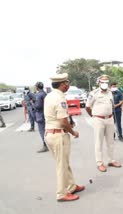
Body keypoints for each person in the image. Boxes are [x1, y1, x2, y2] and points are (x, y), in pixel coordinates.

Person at [44, 73, 84, 202]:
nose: (68, 85)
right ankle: (61, 193)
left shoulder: (50, 95)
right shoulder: (59, 98)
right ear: (62, 84)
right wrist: (73, 132)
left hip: (50, 133)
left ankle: (71, 186)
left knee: (64, 163)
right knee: (62, 165)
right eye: (67, 83)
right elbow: (63, 122)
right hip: (58, 135)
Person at [86, 75, 122, 172]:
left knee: (110, 141)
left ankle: (111, 160)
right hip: (99, 120)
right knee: (99, 142)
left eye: (106, 82)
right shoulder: (93, 93)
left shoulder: (110, 92)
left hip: (110, 119)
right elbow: (87, 107)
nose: (105, 84)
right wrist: (94, 117)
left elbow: (112, 105)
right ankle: (100, 163)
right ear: (99, 83)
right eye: (103, 82)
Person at [34, 81, 48, 153]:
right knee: (47, 130)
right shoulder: (45, 93)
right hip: (46, 114)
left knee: (42, 131)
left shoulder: (38, 95)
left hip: (40, 115)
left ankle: (45, 146)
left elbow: (38, 106)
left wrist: (33, 104)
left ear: (37, 87)